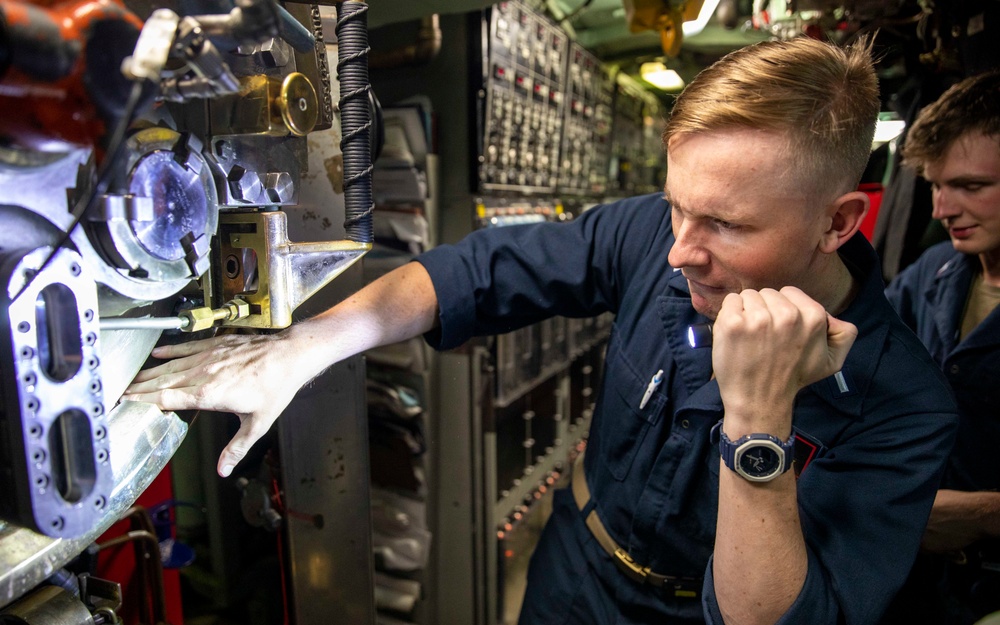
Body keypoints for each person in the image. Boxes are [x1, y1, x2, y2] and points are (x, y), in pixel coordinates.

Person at [124, 36, 958, 625]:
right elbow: (474, 272)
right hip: (573, 573)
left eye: (728, 225)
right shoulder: (647, 238)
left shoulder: (904, 404)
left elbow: (769, 617)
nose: (679, 250)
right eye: (676, 205)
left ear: (840, 221)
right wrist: (301, 350)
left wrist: (758, 428)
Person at [882, 70, 1000, 625]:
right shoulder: (934, 271)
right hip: (920, 579)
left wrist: (983, 513)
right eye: (935, 185)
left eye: (971, 186)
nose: (941, 209)